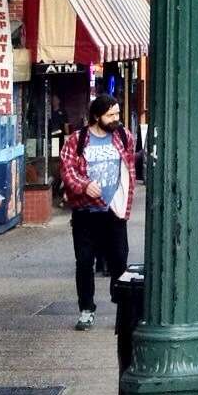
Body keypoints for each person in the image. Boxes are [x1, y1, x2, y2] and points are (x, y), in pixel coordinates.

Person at [60, 96, 136, 331]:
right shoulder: (77, 140)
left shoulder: (124, 137)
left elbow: (129, 168)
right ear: (96, 116)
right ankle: (86, 309)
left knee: (119, 260)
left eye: (117, 114)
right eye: (110, 115)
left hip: (113, 210)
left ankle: (121, 304)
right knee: (84, 262)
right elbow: (67, 169)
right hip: (86, 211)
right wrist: (83, 185)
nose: (116, 119)